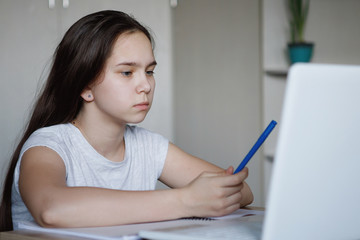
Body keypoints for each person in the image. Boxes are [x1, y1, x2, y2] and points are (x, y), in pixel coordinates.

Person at [0, 10, 253, 231]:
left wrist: (213, 193)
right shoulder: (47, 146)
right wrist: (186, 200)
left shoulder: (148, 147)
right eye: (127, 72)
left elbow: (244, 192)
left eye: (150, 71)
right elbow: (52, 210)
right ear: (86, 86)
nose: (145, 85)